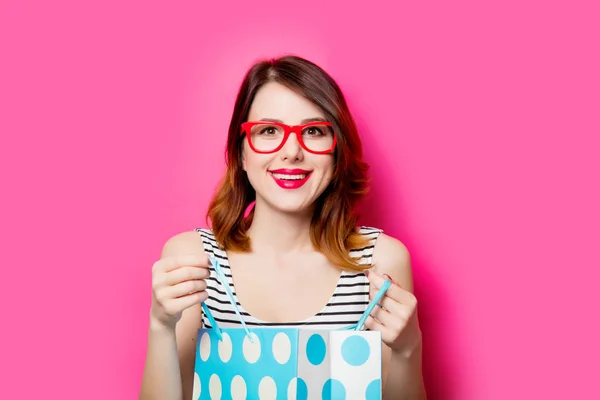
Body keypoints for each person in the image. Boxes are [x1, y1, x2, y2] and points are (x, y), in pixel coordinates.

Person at [139, 55, 426, 400]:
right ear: (242, 152)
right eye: (269, 130)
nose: (291, 152)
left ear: (336, 155)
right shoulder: (194, 259)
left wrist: (407, 350)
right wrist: (160, 327)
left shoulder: (379, 262)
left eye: (314, 131)